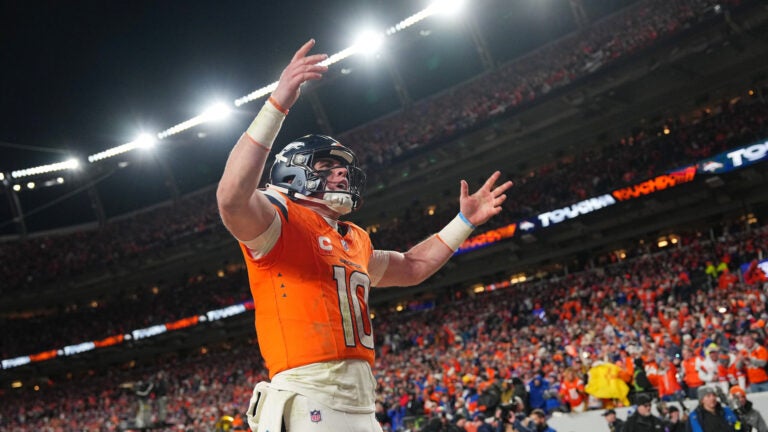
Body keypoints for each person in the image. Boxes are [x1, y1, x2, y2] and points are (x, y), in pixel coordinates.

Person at [216, 39, 513, 432]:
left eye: (343, 169)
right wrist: (278, 104)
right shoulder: (278, 221)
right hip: (307, 400)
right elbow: (232, 197)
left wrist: (463, 221)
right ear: (293, 173)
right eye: (327, 165)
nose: (340, 174)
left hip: (360, 406)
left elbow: (411, 266)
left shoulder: (352, 237)